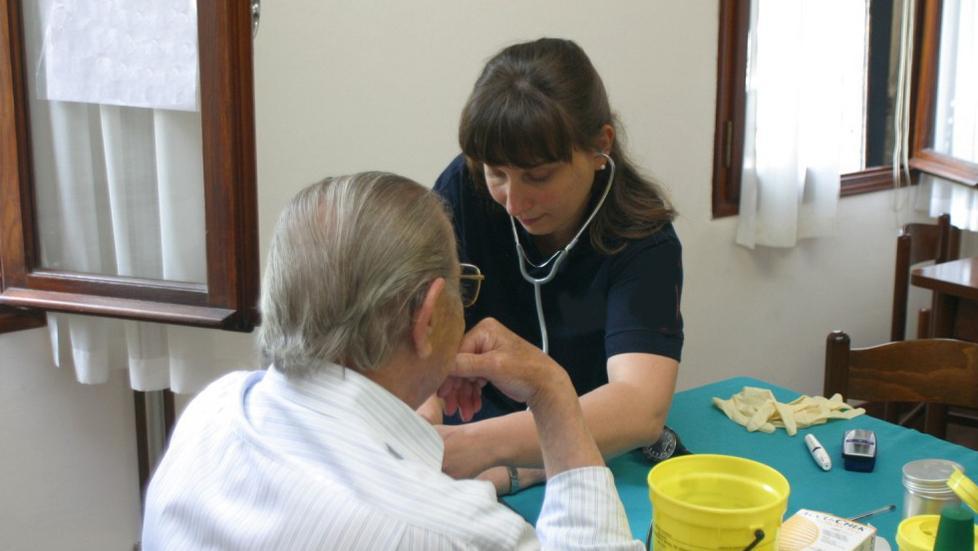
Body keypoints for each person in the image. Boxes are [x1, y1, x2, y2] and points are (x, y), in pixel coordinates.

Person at [141, 172, 642, 550]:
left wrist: (411, 403)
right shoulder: (440, 531)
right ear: (426, 318)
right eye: (462, 285)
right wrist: (552, 390)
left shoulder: (214, 410)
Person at [429, 38, 683, 494]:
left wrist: (482, 449)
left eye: (539, 176)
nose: (513, 200)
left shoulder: (644, 240)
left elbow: (639, 407)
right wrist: (425, 411)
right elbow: (416, 320)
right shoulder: (461, 189)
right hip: (466, 435)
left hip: (588, 449)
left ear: (598, 146)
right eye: (496, 173)